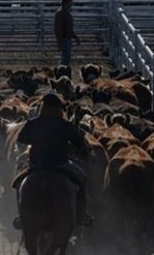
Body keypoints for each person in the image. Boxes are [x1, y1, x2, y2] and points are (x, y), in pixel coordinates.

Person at [11, 93, 93, 230]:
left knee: (18, 184)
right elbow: (80, 145)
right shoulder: (65, 125)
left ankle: (22, 217)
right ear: (58, 109)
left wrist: (31, 146)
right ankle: (81, 216)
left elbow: (21, 140)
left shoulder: (33, 123)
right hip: (60, 164)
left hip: (36, 165)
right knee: (82, 179)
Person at [54, 0, 80, 67]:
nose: (72, 4)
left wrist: (75, 37)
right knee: (65, 58)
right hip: (64, 38)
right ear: (66, 2)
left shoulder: (65, 13)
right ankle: (62, 71)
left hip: (67, 38)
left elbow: (69, 28)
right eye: (70, 2)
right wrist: (59, 40)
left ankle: (62, 71)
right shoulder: (61, 13)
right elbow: (58, 28)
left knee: (66, 58)